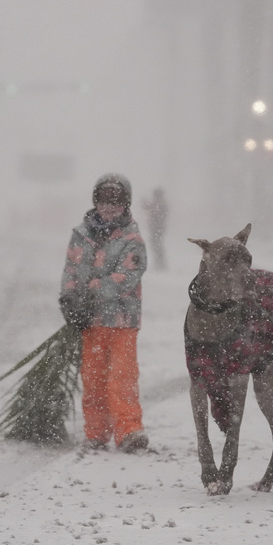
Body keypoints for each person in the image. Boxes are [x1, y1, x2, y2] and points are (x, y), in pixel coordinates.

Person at [59, 174, 150, 453]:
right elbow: (71, 271)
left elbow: (128, 276)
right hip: (92, 322)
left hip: (122, 322)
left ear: (126, 204)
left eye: (116, 202)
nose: (109, 207)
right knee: (94, 378)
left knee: (121, 378)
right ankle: (96, 432)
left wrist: (92, 293)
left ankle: (129, 431)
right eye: (103, 200)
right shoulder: (80, 235)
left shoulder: (131, 238)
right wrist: (70, 299)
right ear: (95, 201)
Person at [142, 187, 169, 270]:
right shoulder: (160, 204)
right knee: (156, 245)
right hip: (156, 229)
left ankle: (160, 263)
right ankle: (159, 262)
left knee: (157, 245)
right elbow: (146, 207)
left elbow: (148, 207)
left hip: (157, 229)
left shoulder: (160, 205)